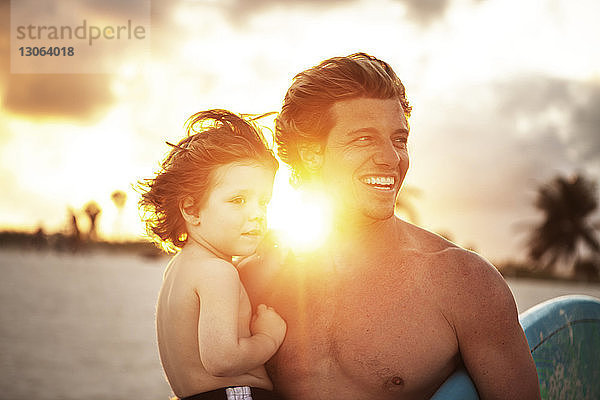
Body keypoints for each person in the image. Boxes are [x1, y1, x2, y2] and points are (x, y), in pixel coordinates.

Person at [239, 53, 541, 399]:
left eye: (399, 139)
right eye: (364, 139)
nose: (391, 157)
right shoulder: (253, 281)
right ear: (311, 153)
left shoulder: (464, 284)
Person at [139, 110, 287, 400]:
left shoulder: (181, 268)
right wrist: (268, 337)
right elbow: (222, 360)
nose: (257, 214)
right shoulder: (219, 273)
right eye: (238, 200)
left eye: (264, 202)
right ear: (192, 209)